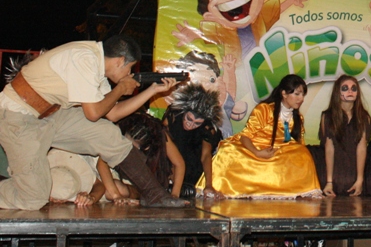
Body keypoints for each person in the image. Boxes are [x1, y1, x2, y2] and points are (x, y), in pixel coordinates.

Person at [0, 36, 185, 210]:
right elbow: (93, 113)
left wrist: (153, 90)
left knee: (107, 134)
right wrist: (121, 88)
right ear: (120, 61)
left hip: (51, 114)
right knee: (34, 198)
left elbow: (112, 113)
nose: (129, 74)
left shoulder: (97, 70)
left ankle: (155, 195)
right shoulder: (84, 58)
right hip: (19, 116)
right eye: (129, 68)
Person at [200, 74, 321, 198]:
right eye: (297, 94)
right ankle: (219, 188)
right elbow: (245, 136)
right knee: (229, 152)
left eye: (303, 95)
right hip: (254, 148)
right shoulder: (264, 109)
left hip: (278, 151)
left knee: (303, 154)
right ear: (284, 93)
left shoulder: (298, 118)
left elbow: (299, 143)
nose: (301, 99)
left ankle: (298, 190)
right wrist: (257, 153)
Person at [310, 75, 371, 197]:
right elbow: (329, 148)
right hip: (334, 163)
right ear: (337, 93)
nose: (350, 91)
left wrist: (360, 179)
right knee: (338, 182)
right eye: (345, 88)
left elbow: (361, 148)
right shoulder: (327, 116)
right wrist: (329, 181)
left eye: (354, 88)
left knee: (353, 182)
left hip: (355, 163)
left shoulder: (364, 117)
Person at [163, 84, 223, 198]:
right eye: (189, 119)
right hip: (170, 159)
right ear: (184, 113)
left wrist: (209, 185)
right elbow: (162, 144)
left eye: (197, 123)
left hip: (192, 165)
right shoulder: (173, 116)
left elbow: (206, 156)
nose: (190, 125)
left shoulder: (206, 128)